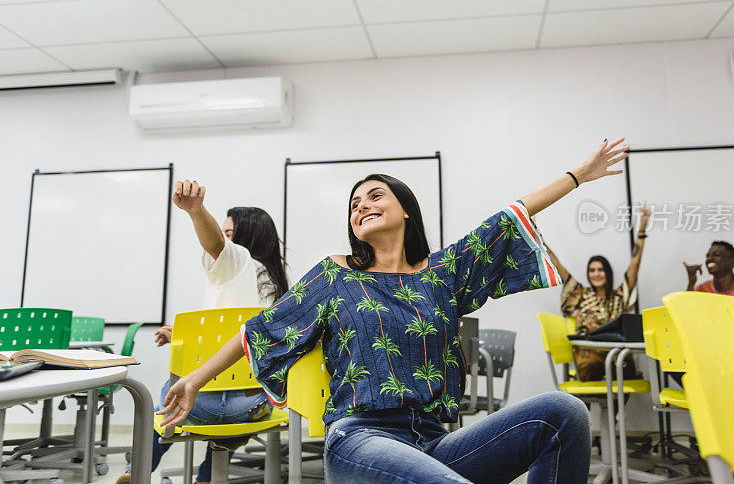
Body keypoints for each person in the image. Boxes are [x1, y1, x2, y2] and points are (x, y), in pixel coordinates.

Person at [158, 138, 629, 484]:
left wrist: (578, 176)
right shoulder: (335, 276)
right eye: (354, 205)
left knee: (563, 413)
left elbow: (508, 218)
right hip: (362, 440)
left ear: (406, 209)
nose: (362, 206)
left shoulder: (442, 273)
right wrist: (195, 379)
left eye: (375, 196)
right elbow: (259, 332)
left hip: (433, 440)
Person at [117, 180, 289, 484]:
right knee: (237, 378)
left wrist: (197, 213)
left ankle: (138, 471)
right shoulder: (279, 287)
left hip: (199, 406)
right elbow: (243, 344)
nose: (223, 239)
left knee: (171, 394)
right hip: (256, 409)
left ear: (246, 238)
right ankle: (208, 477)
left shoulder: (238, 260)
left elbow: (216, 245)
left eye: (230, 233)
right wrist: (187, 336)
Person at [547, 203, 650, 381]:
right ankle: (587, 408)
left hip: (616, 353)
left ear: (607, 272)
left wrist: (641, 229)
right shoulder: (581, 293)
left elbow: (634, 264)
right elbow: (557, 265)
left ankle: (614, 409)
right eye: (592, 270)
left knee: (626, 372)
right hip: (589, 354)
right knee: (590, 369)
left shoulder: (619, 296)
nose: (596, 274)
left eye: (600, 269)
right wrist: (536, 235)